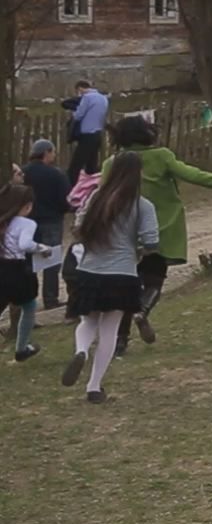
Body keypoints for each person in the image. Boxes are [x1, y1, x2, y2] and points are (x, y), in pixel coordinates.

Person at [110, 116, 212, 349]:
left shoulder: (113, 163)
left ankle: (120, 341)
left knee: (126, 286)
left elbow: (101, 195)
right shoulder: (161, 156)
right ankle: (142, 310)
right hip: (160, 229)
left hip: (125, 233)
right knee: (154, 278)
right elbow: (193, 174)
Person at [60, 152, 158, 400]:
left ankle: (81, 351)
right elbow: (151, 242)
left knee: (87, 322)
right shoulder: (143, 206)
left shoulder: (96, 198)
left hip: (90, 270)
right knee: (109, 331)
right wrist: (138, 251)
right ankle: (94, 387)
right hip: (122, 273)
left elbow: (78, 229)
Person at [1, 184, 57, 362]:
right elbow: (25, 244)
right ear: (27, 205)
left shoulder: (3, 222)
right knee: (29, 306)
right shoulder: (27, 223)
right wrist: (42, 248)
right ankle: (22, 348)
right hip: (17, 270)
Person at [20, 140, 70, 309]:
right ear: (46, 152)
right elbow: (65, 200)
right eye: (53, 152)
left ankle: (27, 298)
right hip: (51, 221)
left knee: (27, 260)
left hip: (27, 221)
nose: (54, 155)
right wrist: (62, 210)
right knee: (51, 260)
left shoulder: (23, 173)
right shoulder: (56, 174)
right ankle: (50, 298)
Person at [67, 80, 108, 181]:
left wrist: (73, 114)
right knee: (91, 165)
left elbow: (78, 115)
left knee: (75, 166)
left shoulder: (87, 97)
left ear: (80, 89)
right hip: (97, 134)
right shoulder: (103, 98)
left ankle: (70, 185)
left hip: (87, 135)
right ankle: (91, 185)